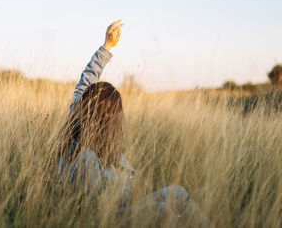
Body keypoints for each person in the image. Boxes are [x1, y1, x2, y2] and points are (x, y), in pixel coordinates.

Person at [57, 20, 213, 227]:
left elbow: (84, 83)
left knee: (178, 193)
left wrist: (107, 47)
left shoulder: (81, 114)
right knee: (162, 212)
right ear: (109, 119)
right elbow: (97, 216)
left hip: (121, 212)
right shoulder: (86, 159)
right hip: (111, 220)